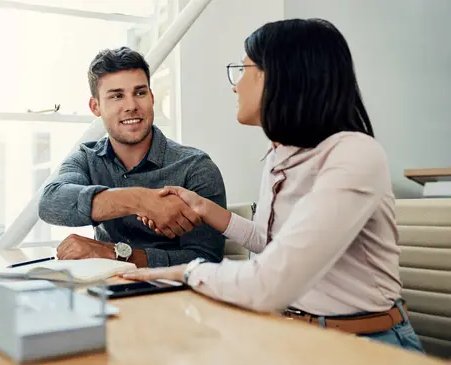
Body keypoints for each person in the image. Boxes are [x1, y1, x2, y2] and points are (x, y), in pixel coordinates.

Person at [123, 19, 424, 352]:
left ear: (279, 75)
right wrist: (204, 209)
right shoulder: (279, 156)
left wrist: (188, 272)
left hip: (368, 343)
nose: (235, 85)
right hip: (297, 333)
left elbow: (268, 283)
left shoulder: (355, 155)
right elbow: (271, 244)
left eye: (244, 68)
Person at [38, 47, 227, 268]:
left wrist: (114, 254)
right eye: (117, 96)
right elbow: (50, 204)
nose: (131, 106)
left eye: (140, 93)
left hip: (174, 297)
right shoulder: (87, 159)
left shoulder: (196, 167)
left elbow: (207, 260)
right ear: (95, 106)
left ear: (152, 97)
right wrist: (140, 200)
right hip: (106, 294)